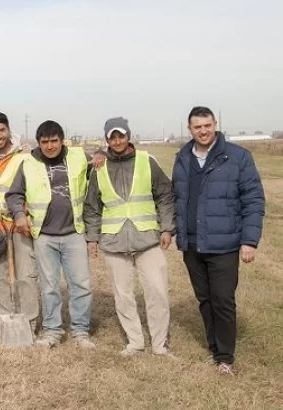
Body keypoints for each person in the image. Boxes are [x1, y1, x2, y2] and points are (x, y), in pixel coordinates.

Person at [172, 106, 265, 376]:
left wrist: (250, 241)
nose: (203, 131)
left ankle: (225, 357)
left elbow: (253, 200)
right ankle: (214, 347)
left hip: (224, 245)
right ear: (189, 128)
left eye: (207, 125)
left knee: (223, 299)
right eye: (197, 127)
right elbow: (176, 197)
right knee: (204, 299)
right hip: (192, 244)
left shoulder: (237, 157)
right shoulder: (182, 158)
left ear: (215, 124)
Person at [84, 117, 176, 357]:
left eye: (121, 136)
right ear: (106, 140)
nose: (117, 141)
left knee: (157, 291)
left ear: (128, 136)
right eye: (112, 137)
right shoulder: (98, 167)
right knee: (123, 295)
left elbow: (165, 196)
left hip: (148, 239)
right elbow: (92, 207)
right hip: (114, 242)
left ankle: (159, 344)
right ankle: (135, 342)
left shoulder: (148, 161)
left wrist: (167, 228)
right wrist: (92, 239)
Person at [5, 120, 96, 349]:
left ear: (62, 140)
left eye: (54, 141)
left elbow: (100, 159)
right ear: (38, 143)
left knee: (81, 285)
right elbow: (14, 194)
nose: (50, 146)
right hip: (44, 235)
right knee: (49, 287)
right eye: (44, 142)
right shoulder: (28, 163)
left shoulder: (78, 156)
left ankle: (80, 331)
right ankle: (53, 330)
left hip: (74, 232)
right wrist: (19, 215)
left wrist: (102, 152)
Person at [0, 112, 40, 329]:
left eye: (2, 130)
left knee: (26, 275)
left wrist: (23, 215)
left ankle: (29, 321)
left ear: (9, 130)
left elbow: (35, 189)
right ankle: (4, 320)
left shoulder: (25, 155)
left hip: (20, 224)